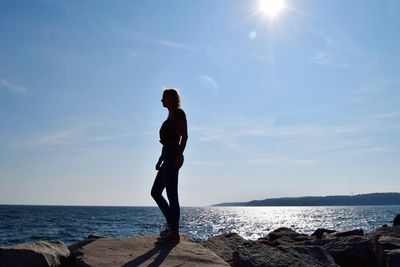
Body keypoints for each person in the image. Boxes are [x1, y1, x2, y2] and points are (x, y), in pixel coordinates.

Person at [151, 88, 188, 242]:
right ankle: (172, 225)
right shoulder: (169, 116)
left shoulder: (179, 113)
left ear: (171, 98)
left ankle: (174, 232)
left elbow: (184, 136)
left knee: (172, 194)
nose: (161, 100)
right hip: (167, 154)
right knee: (156, 192)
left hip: (173, 154)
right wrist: (160, 159)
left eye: (164, 97)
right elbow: (167, 142)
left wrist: (178, 156)